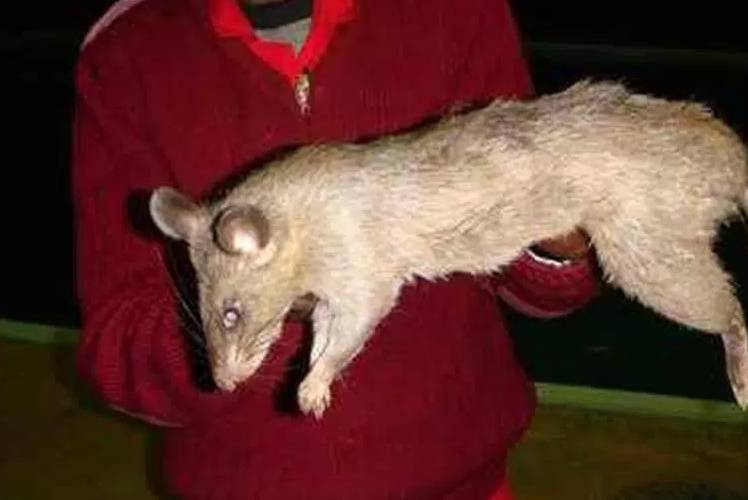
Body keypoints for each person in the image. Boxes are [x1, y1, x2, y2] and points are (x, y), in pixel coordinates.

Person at [71, 0, 599, 498]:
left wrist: (560, 245)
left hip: (462, 482)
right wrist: (255, 309)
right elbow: (116, 350)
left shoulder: (453, 11)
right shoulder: (126, 53)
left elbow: (536, 272)